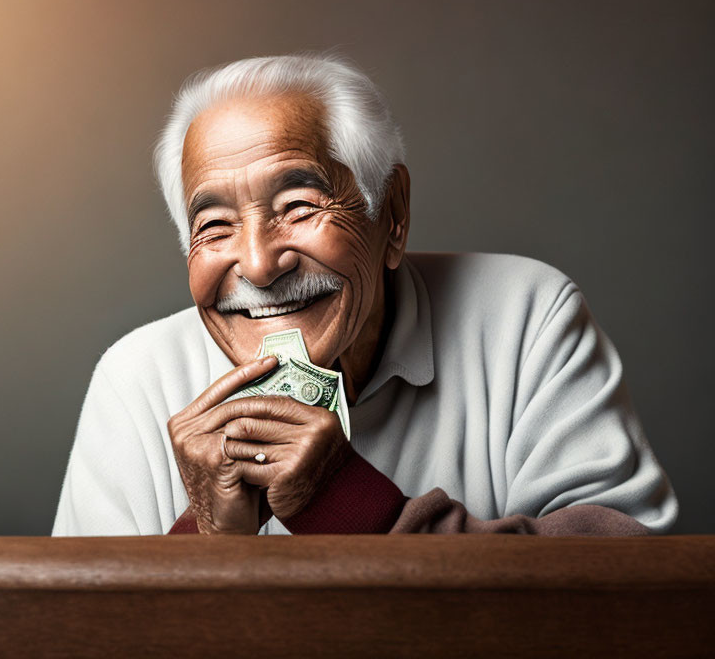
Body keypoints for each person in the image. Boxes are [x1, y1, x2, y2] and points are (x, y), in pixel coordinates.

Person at [52, 54, 677, 536]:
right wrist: (208, 538)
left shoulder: (526, 318)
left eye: (297, 207)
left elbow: (630, 604)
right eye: (213, 227)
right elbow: (77, 638)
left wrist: (347, 502)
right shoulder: (135, 379)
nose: (260, 264)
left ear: (393, 216)